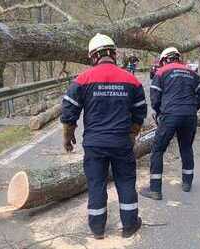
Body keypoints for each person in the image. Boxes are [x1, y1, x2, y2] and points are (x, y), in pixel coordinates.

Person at [61, 33, 147, 239]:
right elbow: (139, 113)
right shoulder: (131, 80)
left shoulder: (82, 80)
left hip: (94, 144)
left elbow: (68, 112)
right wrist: (132, 135)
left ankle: (97, 229)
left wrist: (68, 137)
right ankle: (129, 226)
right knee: (125, 182)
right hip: (121, 143)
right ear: (114, 54)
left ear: (93, 56)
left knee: (96, 184)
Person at [140, 47, 200, 200]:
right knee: (186, 147)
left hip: (170, 116)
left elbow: (155, 98)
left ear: (165, 59)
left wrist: (160, 113)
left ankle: (155, 189)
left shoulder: (161, 72)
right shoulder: (191, 73)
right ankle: (187, 183)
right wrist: (193, 106)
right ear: (178, 58)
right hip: (189, 116)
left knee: (158, 150)